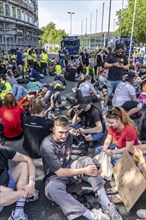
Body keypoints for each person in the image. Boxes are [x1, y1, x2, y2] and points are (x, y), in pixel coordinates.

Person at [40, 116, 122, 220]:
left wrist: (79, 133)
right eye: (60, 132)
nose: (64, 136)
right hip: (55, 176)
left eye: (66, 131)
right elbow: (60, 172)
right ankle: (92, 216)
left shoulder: (69, 135)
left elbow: (80, 144)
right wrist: (83, 171)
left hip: (70, 168)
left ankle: (106, 204)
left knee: (87, 160)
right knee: (52, 189)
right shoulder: (47, 145)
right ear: (53, 130)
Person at [0, 145, 37, 220]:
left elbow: (28, 159)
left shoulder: (3, 150)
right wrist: (24, 193)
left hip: (6, 183)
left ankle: (18, 213)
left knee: (23, 165)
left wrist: (31, 183)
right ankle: (24, 194)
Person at [104, 43, 129, 109]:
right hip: (110, 79)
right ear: (116, 50)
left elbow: (127, 67)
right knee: (109, 93)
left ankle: (114, 107)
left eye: (121, 52)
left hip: (119, 79)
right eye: (118, 51)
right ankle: (104, 105)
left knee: (117, 94)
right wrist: (114, 64)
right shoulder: (111, 55)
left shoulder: (123, 56)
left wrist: (122, 66)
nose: (120, 53)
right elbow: (105, 65)